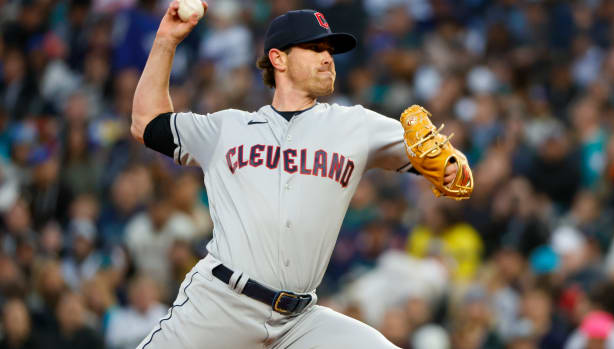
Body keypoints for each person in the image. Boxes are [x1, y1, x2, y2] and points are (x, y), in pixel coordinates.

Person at [130, 3, 462, 348]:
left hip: (298, 321)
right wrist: (166, 42)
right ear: (279, 58)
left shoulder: (358, 126)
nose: (327, 58)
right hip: (220, 306)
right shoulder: (226, 128)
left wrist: (451, 163)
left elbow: (452, 169)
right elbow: (146, 124)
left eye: (330, 51)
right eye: (315, 48)